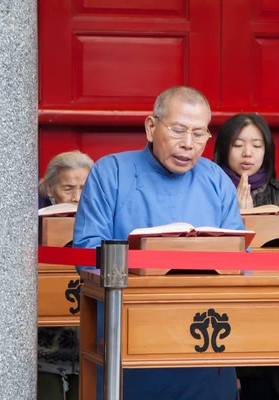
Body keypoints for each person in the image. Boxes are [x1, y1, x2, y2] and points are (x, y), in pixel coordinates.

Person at [73, 86, 244, 400]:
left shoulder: (216, 178)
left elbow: (238, 255)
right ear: (151, 127)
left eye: (198, 134)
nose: (188, 145)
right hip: (130, 331)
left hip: (206, 331)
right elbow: (86, 252)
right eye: (178, 130)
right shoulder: (111, 172)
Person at [214, 113, 279, 400]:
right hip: (221, 302)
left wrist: (250, 220)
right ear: (223, 148)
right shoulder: (206, 190)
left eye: (256, 145)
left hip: (267, 305)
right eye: (238, 144)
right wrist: (236, 217)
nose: (247, 153)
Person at [37, 150, 94, 400]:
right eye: (68, 188)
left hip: (88, 338)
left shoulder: (100, 217)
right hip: (45, 343)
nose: (77, 197)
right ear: (50, 188)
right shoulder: (32, 220)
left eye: (84, 188)